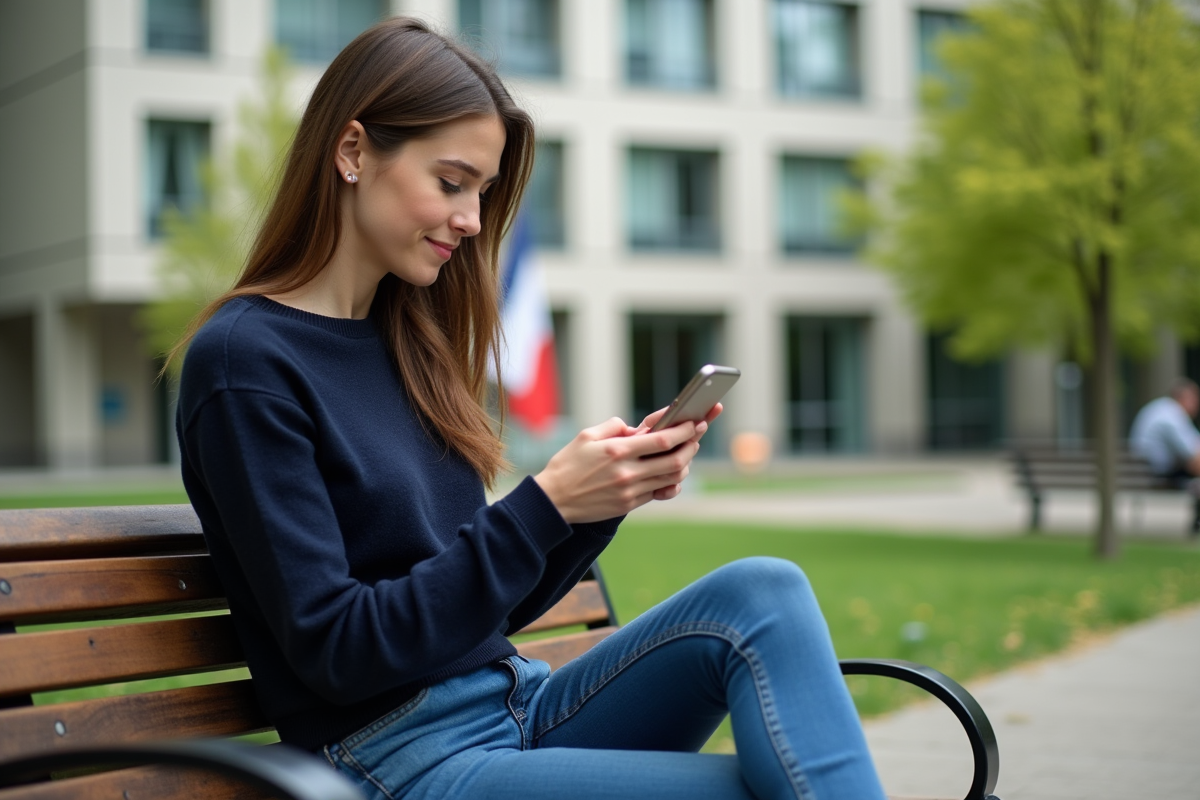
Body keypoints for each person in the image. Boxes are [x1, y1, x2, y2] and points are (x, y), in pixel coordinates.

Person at [173, 17, 886, 800]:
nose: (473, 221)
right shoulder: (246, 363)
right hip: (396, 759)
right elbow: (341, 651)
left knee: (762, 591)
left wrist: (595, 503)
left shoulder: (409, 340)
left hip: (515, 707)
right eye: (450, 183)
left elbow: (472, 615)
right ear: (351, 152)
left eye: (481, 192)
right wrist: (542, 506)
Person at [1129, 378, 1200, 485]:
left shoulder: (1163, 408)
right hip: (1158, 475)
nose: (1197, 405)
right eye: (1194, 399)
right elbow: (1194, 459)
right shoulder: (1172, 414)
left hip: (1152, 472)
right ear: (1183, 398)